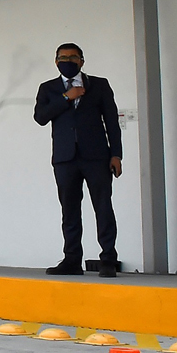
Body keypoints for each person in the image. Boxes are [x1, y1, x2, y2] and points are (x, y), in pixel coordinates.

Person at [34, 44, 123, 277]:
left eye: (73, 57)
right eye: (63, 57)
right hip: (65, 159)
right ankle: (72, 259)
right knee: (70, 210)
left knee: (103, 207)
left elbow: (112, 122)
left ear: (82, 61)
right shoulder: (48, 88)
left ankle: (108, 259)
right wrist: (66, 97)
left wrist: (116, 154)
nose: (68, 60)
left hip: (96, 157)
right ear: (56, 62)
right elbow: (40, 117)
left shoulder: (99, 85)